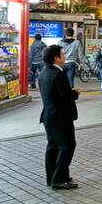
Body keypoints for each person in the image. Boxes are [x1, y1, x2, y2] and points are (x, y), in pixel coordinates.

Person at [38, 44, 79, 189]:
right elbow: (65, 96)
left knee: (53, 147)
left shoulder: (44, 73)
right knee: (67, 146)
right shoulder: (58, 74)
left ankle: (52, 177)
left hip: (48, 116)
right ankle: (59, 179)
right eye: (62, 54)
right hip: (60, 117)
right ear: (56, 58)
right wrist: (75, 93)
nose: (64, 56)